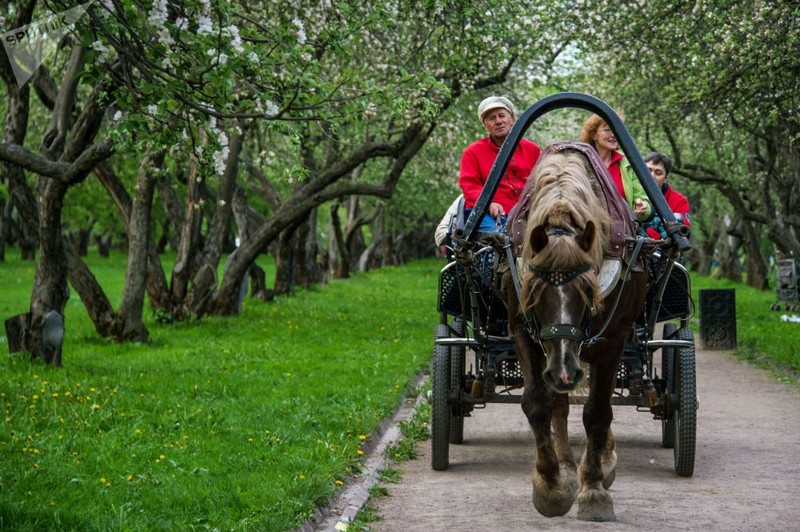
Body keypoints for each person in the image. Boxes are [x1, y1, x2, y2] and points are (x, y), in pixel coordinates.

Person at [459, 96, 541, 233]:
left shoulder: (532, 150)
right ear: (485, 125)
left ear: (512, 119)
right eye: (492, 118)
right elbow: (469, 186)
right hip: (488, 214)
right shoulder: (472, 152)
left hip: (529, 211)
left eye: (502, 116)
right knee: (499, 240)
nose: (498, 121)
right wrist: (488, 204)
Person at [579, 114, 651, 221]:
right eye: (608, 130)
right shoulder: (581, 162)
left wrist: (642, 207)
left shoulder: (628, 163)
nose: (613, 134)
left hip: (623, 231)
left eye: (615, 130)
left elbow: (643, 200)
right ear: (594, 135)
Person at [642, 152, 691, 239]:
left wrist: (653, 235)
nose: (651, 176)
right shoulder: (629, 192)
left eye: (658, 173)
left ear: (665, 178)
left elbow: (682, 234)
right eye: (648, 170)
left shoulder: (679, 201)